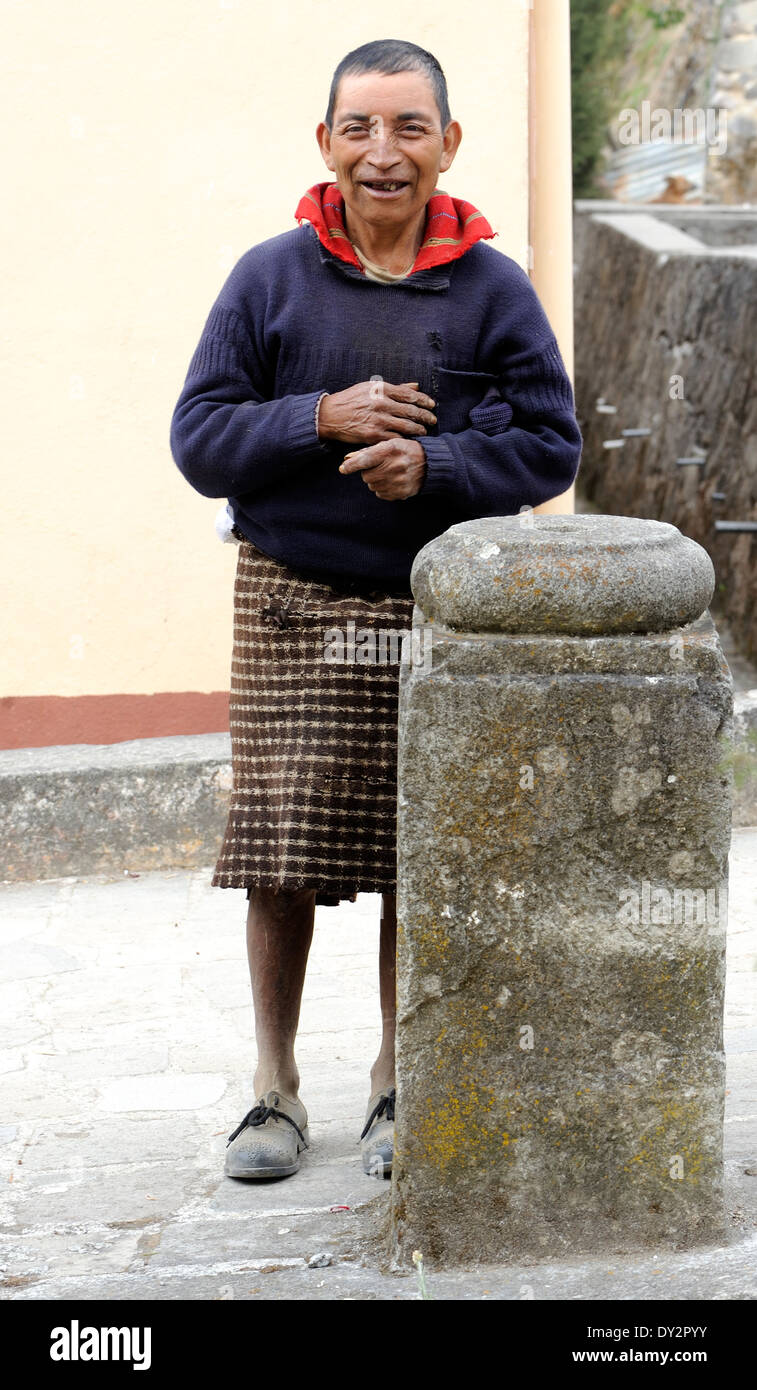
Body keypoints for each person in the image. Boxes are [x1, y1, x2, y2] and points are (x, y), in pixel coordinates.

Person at [169, 38, 582, 1182]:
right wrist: (323, 416)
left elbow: (550, 445)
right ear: (325, 144)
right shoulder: (269, 279)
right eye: (359, 127)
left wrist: (434, 466)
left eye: (409, 128)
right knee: (280, 850)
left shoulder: (494, 289)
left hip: (435, 610)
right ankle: (273, 1090)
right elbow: (199, 441)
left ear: (448, 145)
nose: (382, 152)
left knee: (421, 851)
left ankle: (400, 1082)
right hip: (292, 604)